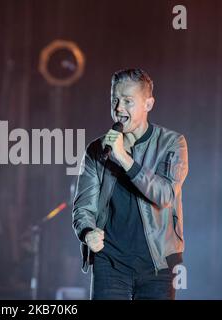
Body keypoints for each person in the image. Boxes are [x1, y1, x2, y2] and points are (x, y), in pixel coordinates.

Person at [72, 68, 188, 300]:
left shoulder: (172, 143)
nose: (118, 109)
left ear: (148, 104)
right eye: (114, 100)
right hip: (110, 262)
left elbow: (165, 195)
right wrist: (87, 232)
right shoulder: (97, 150)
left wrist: (124, 159)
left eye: (127, 101)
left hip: (159, 264)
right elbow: (83, 207)